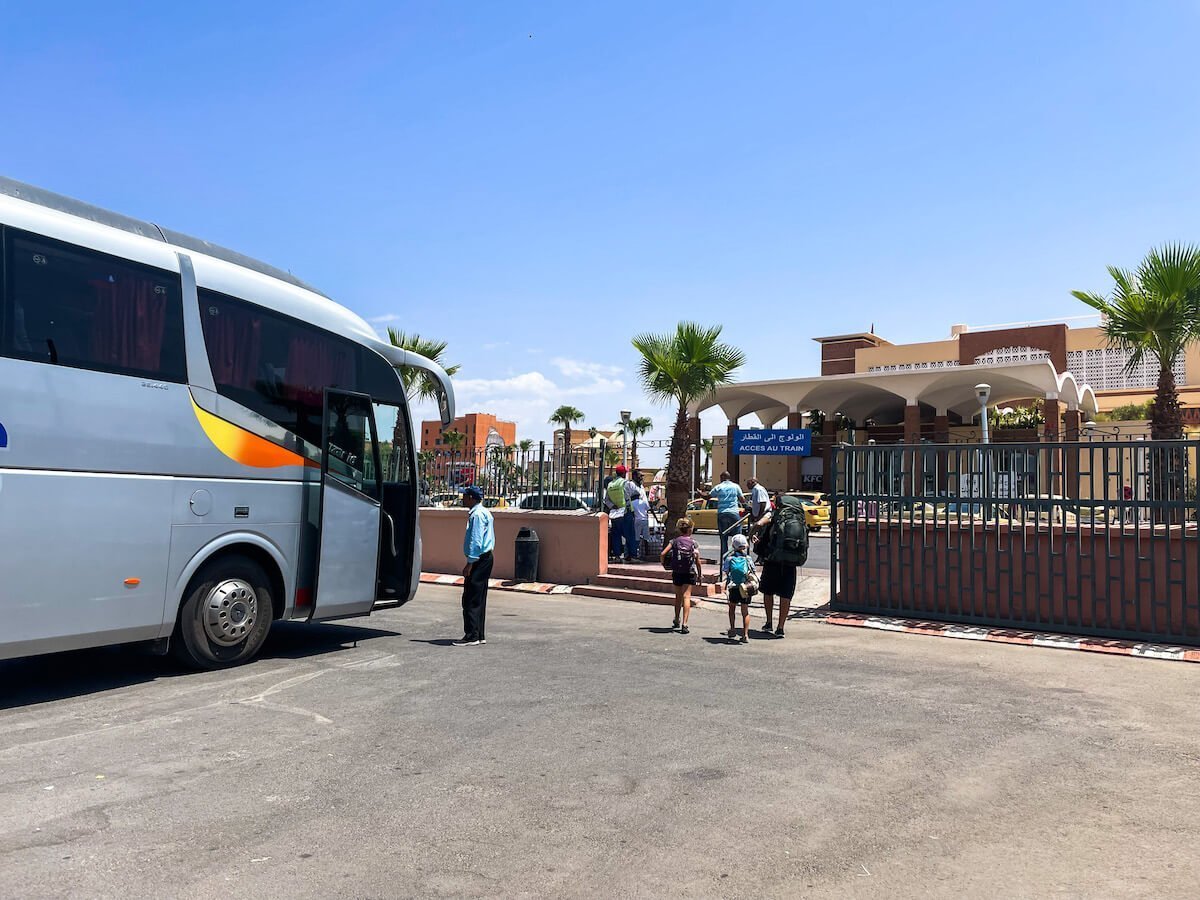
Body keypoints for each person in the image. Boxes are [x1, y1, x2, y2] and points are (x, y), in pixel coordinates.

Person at [754, 492, 799, 638]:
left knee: (768, 591)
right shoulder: (797, 518)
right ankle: (781, 627)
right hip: (790, 562)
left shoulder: (774, 516)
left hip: (772, 560)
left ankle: (768, 622)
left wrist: (754, 534)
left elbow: (760, 526)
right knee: (786, 594)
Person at [455, 485, 495, 647]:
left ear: (471, 498)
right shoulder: (485, 512)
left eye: (465, 496)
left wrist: (469, 564)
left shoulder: (476, 515)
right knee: (479, 597)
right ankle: (479, 634)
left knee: (471, 598)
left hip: (478, 559)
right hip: (486, 558)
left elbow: (476, 541)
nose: (462, 498)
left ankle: (471, 635)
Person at [661, 517, 701, 634]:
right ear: (690, 530)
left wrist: (664, 564)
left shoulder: (674, 541)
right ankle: (685, 624)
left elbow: (663, 553)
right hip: (689, 571)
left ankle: (676, 619)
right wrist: (700, 574)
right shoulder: (694, 543)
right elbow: (698, 560)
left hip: (677, 571)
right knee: (686, 597)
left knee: (678, 596)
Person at [703, 471, 746, 563]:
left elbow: (708, 497)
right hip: (734, 513)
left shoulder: (718, 487)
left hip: (722, 513)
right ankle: (738, 558)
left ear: (722, 478)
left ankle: (725, 560)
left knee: (723, 537)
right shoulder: (735, 486)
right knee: (737, 537)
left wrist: (700, 493)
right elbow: (742, 500)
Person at [721, 533, 754, 643]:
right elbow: (753, 571)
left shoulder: (729, 559)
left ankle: (733, 629)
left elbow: (725, 572)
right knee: (745, 612)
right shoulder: (748, 559)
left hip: (733, 587)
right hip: (745, 587)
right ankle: (745, 635)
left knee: (732, 609)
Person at [603, 465, 630, 561]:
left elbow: (606, 500)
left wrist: (613, 506)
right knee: (629, 534)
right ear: (623, 473)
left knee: (616, 535)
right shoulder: (624, 483)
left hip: (615, 513)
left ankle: (617, 556)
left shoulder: (610, 484)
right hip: (625, 512)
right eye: (625, 473)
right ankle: (629, 556)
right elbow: (628, 497)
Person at [631, 485, 651, 559]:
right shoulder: (643, 502)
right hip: (645, 520)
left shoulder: (632, 503)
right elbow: (649, 509)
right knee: (646, 537)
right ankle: (646, 553)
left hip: (637, 521)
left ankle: (635, 553)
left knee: (636, 538)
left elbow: (632, 513)